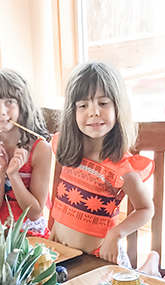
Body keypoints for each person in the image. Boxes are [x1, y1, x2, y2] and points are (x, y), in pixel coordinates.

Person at [48, 61, 154, 264]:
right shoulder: (68, 150)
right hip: (64, 255)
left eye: (103, 103)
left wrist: (116, 234)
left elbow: (146, 209)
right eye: (83, 105)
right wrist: (56, 230)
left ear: (117, 107)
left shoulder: (121, 168)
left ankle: (151, 266)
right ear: (73, 112)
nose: (94, 112)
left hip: (100, 261)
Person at [0, 69, 52, 235]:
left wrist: (14, 175)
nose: (1, 111)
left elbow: (34, 213)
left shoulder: (40, 149)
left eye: (9, 101)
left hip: (30, 234)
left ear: (22, 105)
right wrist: (0, 173)